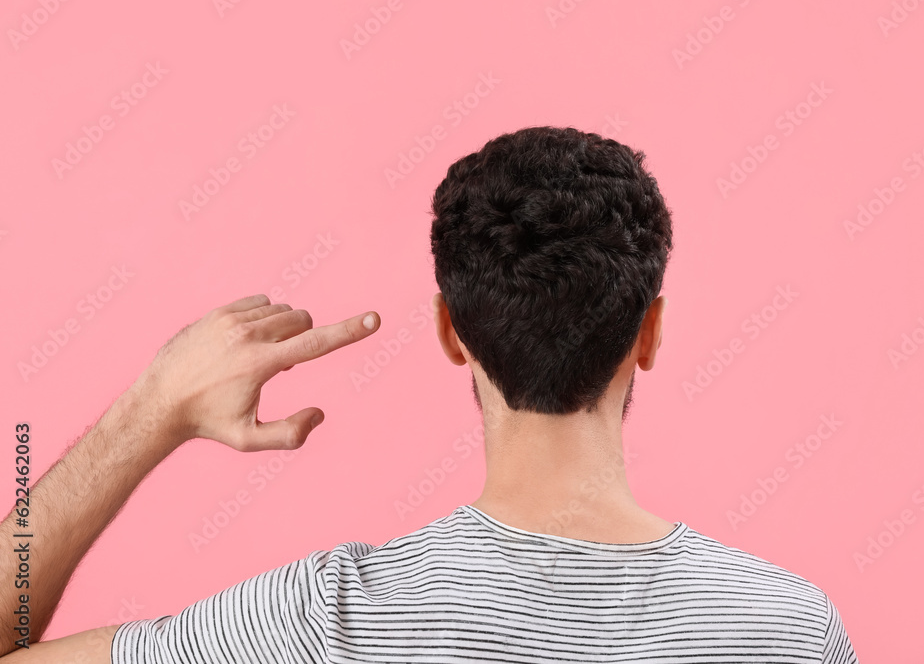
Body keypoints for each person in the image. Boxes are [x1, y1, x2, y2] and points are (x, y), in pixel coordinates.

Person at [0, 126, 859, 663]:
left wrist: (149, 412)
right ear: (650, 331)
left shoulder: (323, 619)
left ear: (451, 332)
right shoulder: (786, 628)